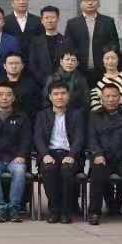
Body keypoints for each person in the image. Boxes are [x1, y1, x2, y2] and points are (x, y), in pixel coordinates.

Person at [85, 82, 122, 226]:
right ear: (101, 98)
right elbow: (91, 138)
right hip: (103, 157)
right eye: (107, 96)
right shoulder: (94, 115)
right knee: (97, 173)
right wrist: (97, 154)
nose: (111, 99)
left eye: (114, 96)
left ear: (120, 98)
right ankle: (94, 212)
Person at [34, 83, 86, 224]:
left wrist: (71, 155)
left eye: (63, 93)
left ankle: (66, 211)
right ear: (50, 97)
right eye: (56, 94)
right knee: (49, 169)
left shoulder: (77, 114)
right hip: (49, 153)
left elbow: (79, 138)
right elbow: (38, 137)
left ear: (68, 96)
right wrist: (45, 154)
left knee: (67, 171)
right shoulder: (42, 115)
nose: (60, 97)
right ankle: (54, 210)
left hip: (69, 154)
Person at [0, 83, 33, 222]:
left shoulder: (22, 116)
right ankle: (0, 209)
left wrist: (21, 155)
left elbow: (26, 139)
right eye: (1, 94)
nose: (4, 98)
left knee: (20, 170)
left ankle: (14, 209)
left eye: (8, 95)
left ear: (13, 98)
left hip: (15, 159)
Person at [64, 0, 120, 84]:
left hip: (103, 70)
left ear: (98, 3)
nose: (90, 3)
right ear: (81, 3)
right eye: (86, 0)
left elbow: (114, 44)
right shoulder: (72, 23)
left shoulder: (108, 22)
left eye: (93, 0)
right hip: (79, 71)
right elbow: (69, 47)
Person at [26, 5, 70, 86]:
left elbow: (68, 63)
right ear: (42, 20)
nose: (50, 21)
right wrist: (45, 81)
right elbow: (33, 65)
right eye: (46, 18)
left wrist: (60, 79)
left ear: (58, 19)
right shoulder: (35, 42)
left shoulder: (66, 41)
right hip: (41, 84)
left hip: (62, 84)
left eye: (53, 17)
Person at [88, 47, 122, 114]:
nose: (110, 61)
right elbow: (94, 102)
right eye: (107, 58)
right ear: (102, 61)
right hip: (101, 116)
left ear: (118, 60)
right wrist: (104, 116)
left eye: (113, 58)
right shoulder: (96, 79)